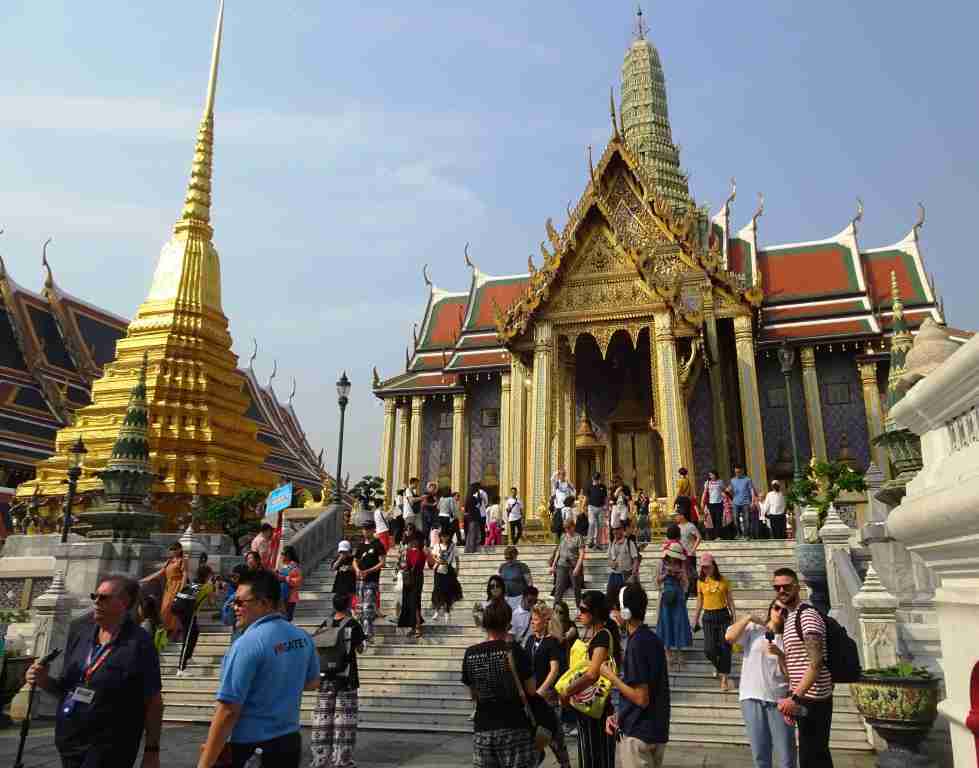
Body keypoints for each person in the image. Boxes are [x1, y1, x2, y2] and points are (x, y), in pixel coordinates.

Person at [28, 575, 163, 768]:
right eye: (95, 596)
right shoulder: (82, 635)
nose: (96, 602)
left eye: (104, 598)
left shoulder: (139, 644)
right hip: (70, 743)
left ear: (124, 603)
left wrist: (152, 751)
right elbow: (65, 690)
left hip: (111, 746)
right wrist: (43, 680)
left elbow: (153, 701)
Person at [197, 569, 319, 768]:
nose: (233, 608)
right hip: (289, 742)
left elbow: (228, 710)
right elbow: (313, 682)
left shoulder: (247, 644)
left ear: (264, 603)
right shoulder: (303, 637)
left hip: (252, 748)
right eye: (232, 602)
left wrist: (205, 763)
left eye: (239, 602)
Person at [462, 599, 538, 768]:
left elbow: (473, 695)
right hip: (514, 726)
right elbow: (531, 690)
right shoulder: (515, 650)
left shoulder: (470, 653)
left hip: (483, 729)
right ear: (508, 623)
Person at [602, 585, 670, 768]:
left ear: (625, 612)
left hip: (638, 734)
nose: (613, 613)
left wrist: (612, 677)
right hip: (656, 729)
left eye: (616, 608)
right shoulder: (652, 638)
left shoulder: (636, 644)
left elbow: (641, 698)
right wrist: (620, 715)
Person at [773, 567, 834, 768]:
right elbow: (797, 662)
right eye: (777, 587)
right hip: (805, 698)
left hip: (814, 700)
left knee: (812, 757)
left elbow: (816, 662)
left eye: (786, 586)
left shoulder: (807, 617)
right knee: (814, 755)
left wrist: (794, 698)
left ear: (797, 587)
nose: (781, 590)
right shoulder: (790, 617)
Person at [725, 601, 797, 768]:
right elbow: (729, 637)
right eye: (777, 608)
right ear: (770, 609)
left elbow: (792, 675)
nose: (780, 613)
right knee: (760, 755)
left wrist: (780, 655)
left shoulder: (790, 638)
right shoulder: (755, 630)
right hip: (751, 697)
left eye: (785, 611)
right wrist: (749, 617)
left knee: (787, 755)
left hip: (779, 700)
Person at [560, 590, 622, 768]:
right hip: (591, 709)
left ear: (594, 612)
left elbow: (592, 674)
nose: (579, 614)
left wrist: (567, 691)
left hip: (597, 711)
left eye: (583, 609)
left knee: (594, 759)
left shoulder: (602, 635)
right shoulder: (596, 635)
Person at [310, 592, 367, 768]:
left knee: (322, 718)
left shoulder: (325, 624)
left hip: (325, 677)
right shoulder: (352, 624)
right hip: (346, 677)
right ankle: (341, 759)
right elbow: (360, 649)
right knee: (344, 721)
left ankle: (319, 758)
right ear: (349, 604)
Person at [525, 602, 572, 768]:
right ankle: (536, 758)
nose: (532, 622)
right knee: (535, 738)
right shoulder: (530, 641)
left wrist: (542, 690)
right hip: (533, 698)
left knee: (555, 738)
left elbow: (554, 670)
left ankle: (565, 764)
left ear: (545, 621)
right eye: (532, 619)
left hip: (548, 698)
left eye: (536, 619)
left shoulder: (552, 642)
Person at [692, 553, 736, 693]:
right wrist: (695, 618)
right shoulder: (700, 581)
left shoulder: (724, 580)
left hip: (723, 615)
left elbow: (730, 600)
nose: (705, 570)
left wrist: (734, 616)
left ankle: (724, 678)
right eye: (703, 568)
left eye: (708, 567)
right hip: (708, 617)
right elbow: (699, 601)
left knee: (725, 648)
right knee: (709, 650)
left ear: (713, 566)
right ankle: (719, 667)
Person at [140, 541, 188, 640]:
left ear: (180, 550)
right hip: (168, 587)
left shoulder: (183, 560)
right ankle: (168, 632)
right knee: (165, 610)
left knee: (173, 609)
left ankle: (175, 633)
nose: (172, 551)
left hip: (177, 586)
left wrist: (182, 589)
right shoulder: (169, 561)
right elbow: (160, 573)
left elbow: (184, 575)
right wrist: (145, 579)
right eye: (171, 549)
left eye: (174, 549)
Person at [656, 542, 692, 671]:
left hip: (678, 597)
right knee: (666, 623)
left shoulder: (681, 564)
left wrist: (680, 576)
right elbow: (657, 581)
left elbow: (686, 583)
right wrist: (666, 575)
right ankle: (668, 654)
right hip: (666, 597)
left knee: (679, 623)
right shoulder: (661, 564)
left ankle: (680, 654)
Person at [175, 563, 216, 677]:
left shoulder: (193, 583)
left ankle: (187, 657)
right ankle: (181, 669)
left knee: (194, 633)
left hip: (184, 613)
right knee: (187, 640)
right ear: (208, 575)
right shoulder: (208, 587)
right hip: (190, 615)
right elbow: (212, 603)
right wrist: (214, 587)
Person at [353, 520, 387, 642]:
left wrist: (369, 571)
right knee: (360, 608)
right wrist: (357, 569)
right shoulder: (361, 545)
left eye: (368, 529)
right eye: (364, 529)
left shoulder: (378, 544)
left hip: (371, 580)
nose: (365, 531)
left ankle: (368, 633)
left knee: (368, 608)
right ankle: (361, 632)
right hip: (359, 580)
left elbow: (382, 562)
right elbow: (355, 559)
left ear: (373, 530)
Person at [397, 530, 428, 638]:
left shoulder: (421, 552)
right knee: (409, 602)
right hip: (408, 579)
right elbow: (404, 565)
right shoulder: (408, 552)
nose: (412, 542)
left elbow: (424, 563)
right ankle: (413, 626)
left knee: (415, 602)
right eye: (411, 540)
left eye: (414, 540)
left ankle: (418, 627)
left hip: (417, 578)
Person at [550, 517, 585, 606]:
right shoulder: (563, 536)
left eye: (568, 527)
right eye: (565, 528)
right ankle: (556, 608)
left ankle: (579, 608)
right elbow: (558, 551)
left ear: (573, 526)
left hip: (573, 565)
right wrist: (553, 565)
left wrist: (577, 567)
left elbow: (581, 554)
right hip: (561, 564)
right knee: (559, 588)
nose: (567, 529)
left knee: (577, 588)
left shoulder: (578, 537)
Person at [431, 525, 464, 622]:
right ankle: (436, 612)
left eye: (446, 536)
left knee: (448, 592)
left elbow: (457, 558)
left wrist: (457, 569)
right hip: (438, 571)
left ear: (449, 536)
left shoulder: (453, 546)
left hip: (449, 571)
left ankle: (447, 612)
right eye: (442, 536)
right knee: (437, 591)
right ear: (440, 537)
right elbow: (433, 555)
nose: (444, 538)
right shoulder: (437, 546)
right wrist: (438, 560)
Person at [607, 521, 641, 596]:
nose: (615, 531)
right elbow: (608, 558)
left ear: (622, 530)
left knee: (625, 599)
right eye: (614, 529)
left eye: (618, 529)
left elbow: (636, 560)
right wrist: (611, 563)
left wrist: (633, 575)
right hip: (614, 576)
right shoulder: (611, 543)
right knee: (611, 598)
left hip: (626, 576)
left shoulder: (629, 543)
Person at [674, 507, 700, 596]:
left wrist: (693, 549)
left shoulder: (690, 526)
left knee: (691, 573)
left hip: (689, 554)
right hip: (680, 554)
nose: (676, 517)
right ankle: (685, 590)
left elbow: (699, 537)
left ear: (682, 516)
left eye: (677, 515)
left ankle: (694, 591)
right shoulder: (677, 527)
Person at [499, 545, 534, 610]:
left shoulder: (522, 566)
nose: (508, 560)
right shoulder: (502, 567)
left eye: (511, 558)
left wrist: (530, 597)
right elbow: (499, 582)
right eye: (506, 558)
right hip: (506, 598)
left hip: (519, 598)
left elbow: (529, 583)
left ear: (515, 556)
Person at [728, 466, 758, 539]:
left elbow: (751, 490)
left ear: (742, 471)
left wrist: (753, 501)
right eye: (735, 472)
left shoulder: (747, 479)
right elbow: (729, 489)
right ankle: (739, 533)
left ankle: (746, 535)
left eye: (738, 472)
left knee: (746, 519)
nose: (737, 474)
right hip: (735, 502)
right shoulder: (732, 480)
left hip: (746, 502)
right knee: (735, 518)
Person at [277, 546, 304, 622]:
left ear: (288, 555)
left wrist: (285, 579)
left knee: (288, 617)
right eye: (281, 554)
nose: (281, 556)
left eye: (283, 554)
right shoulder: (280, 566)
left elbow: (298, 581)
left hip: (290, 597)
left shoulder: (294, 567)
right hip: (280, 596)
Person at [585, 471, 608, 550]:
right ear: (592, 479)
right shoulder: (589, 486)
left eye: (597, 479)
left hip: (601, 507)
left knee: (600, 525)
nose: (596, 480)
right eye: (595, 479)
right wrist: (583, 507)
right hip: (591, 507)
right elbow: (586, 498)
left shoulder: (603, 486)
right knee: (591, 523)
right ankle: (590, 540)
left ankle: (598, 543)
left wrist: (607, 507)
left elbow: (605, 498)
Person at [701, 470, 724, 542]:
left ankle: (719, 535)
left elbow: (724, 490)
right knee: (713, 520)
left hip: (719, 503)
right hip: (711, 503)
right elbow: (705, 492)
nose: (710, 476)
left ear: (715, 475)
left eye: (711, 475)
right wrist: (702, 502)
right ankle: (715, 535)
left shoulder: (720, 482)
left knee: (718, 519)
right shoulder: (707, 483)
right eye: (709, 475)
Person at [464, 482, 483, 553]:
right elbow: (478, 505)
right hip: (474, 518)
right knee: (473, 535)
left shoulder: (468, 498)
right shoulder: (472, 498)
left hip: (471, 518)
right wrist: (478, 496)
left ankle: (468, 550)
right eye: (477, 489)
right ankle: (472, 550)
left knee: (471, 534)